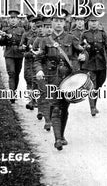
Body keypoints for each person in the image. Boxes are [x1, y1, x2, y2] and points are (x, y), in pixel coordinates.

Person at [35, 12, 86, 150]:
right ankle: (57, 139)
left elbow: (82, 51)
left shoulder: (71, 38)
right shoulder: (45, 40)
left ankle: (61, 135)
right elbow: (38, 59)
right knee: (56, 107)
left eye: (61, 21)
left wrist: (83, 57)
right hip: (52, 78)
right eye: (55, 21)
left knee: (64, 108)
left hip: (68, 79)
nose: (58, 23)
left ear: (65, 23)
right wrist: (39, 70)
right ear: (51, 23)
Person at [80, 14, 107, 116]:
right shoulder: (84, 34)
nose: (93, 23)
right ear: (88, 23)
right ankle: (92, 107)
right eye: (91, 21)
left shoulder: (103, 34)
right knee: (92, 85)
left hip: (101, 64)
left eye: (95, 21)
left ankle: (94, 104)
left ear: (98, 23)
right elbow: (79, 48)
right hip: (89, 64)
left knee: (98, 85)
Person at [0, 9, 26, 103]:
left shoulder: (22, 30)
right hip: (9, 53)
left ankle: (14, 91)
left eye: (15, 18)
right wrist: (4, 37)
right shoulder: (5, 29)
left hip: (19, 53)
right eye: (11, 18)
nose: (13, 20)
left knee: (17, 74)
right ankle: (11, 94)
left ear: (18, 20)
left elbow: (23, 42)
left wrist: (12, 37)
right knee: (11, 73)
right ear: (9, 20)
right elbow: (1, 44)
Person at [20, 15, 40, 110]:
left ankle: (35, 100)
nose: (34, 24)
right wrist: (23, 49)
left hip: (38, 61)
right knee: (28, 78)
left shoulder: (42, 36)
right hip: (28, 60)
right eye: (32, 22)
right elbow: (21, 47)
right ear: (29, 23)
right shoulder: (26, 34)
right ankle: (31, 100)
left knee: (37, 80)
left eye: (36, 22)